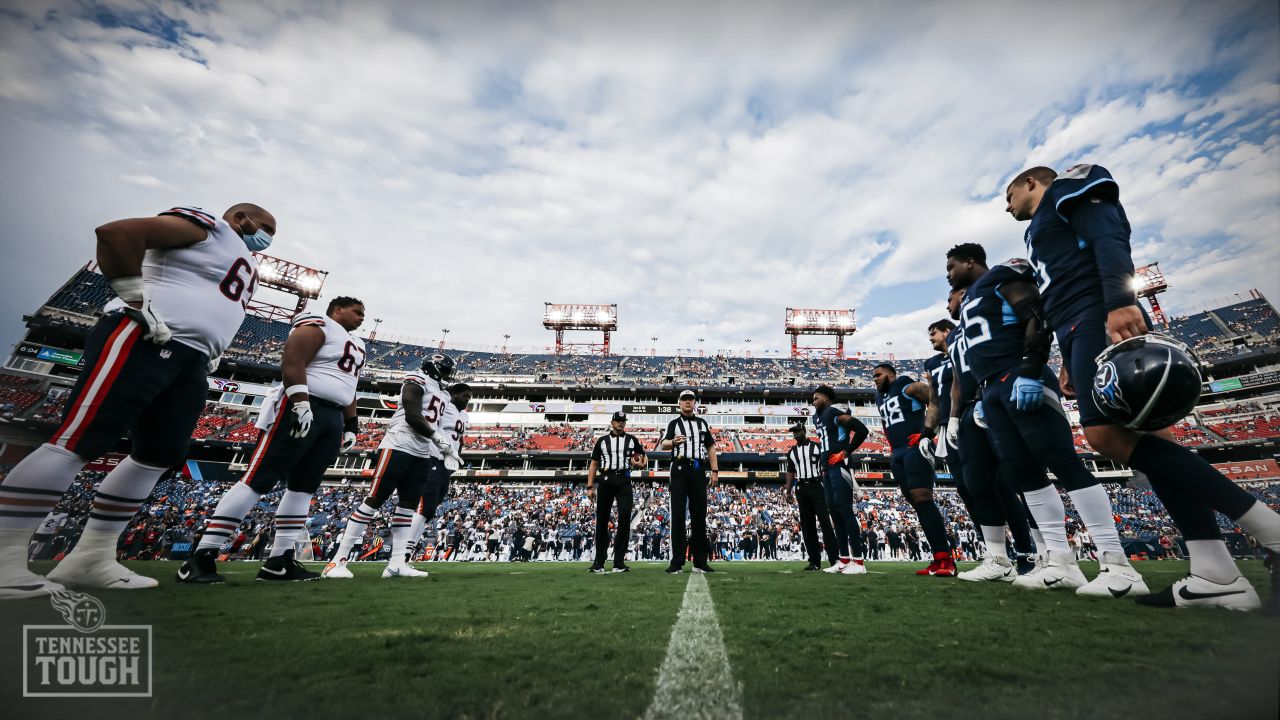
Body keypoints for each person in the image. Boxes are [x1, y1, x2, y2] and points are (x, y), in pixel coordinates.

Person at [1005, 163, 1280, 611]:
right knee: (1155, 442)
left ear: (1031, 182)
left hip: (1096, 313)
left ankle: (1271, 530)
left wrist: (1119, 300)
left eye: (1010, 195)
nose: (1008, 206)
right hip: (1077, 325)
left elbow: (1107, 235)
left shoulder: (1069, 188)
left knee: (1104, 435)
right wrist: (1068, 354)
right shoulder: (1037, 229)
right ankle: (1214, 570)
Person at [0, 203, 276, 598]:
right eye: (262, 226)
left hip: (191, 358)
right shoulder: (209, 226)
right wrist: (134, 298)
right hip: (144, 336)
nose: (265, 237)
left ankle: (91, 557)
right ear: (239, 218)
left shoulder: (242, 263)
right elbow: (117, 233)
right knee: (80, 439)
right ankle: (4, 556)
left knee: (159, 455)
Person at [945, 242, 1144, 597]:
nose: (948, 274)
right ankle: (1060, 562)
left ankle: (1118, 564)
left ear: (970, 262)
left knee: (1062, 461)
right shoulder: (971, 302)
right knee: (1024, 473)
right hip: (992, 389)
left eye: (951, 267)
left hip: (1017, 375)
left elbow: (1035, 315)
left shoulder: (1004, 275)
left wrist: (1030, 368)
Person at [177, 296, 366, 584]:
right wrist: (300, 401)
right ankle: (202, 556)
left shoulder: (358, 344)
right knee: (259, 478)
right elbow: (293, 359)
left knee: (304, 487)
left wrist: (351, 424)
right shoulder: (319, 322)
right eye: (357, 312)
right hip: (304, 404)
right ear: (337, 309)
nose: (362, 317)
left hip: (332, 415)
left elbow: (349, 385)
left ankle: (279, 561)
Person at [322, 354, 457, 580]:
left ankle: (396, 564)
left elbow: (436, 424)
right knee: (375, 499)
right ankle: (337, 560)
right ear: (433, 368)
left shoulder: (442, 392)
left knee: (407, 507)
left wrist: (445, 449)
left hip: (422, 451)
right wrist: (438, 439)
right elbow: (413, 415)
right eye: (445, 370)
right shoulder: (416, 379)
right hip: (399, 443)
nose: (447, 376)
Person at [941, 284, 1040, 581]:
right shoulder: (958, 337)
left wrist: (1030, 369)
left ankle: (1041, 554)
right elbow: (957, 380)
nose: (948, 305)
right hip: (971, 408)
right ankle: (998, 558)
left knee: (1019, 478)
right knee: (979, 482)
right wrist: (954, 417)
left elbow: (1031, 322)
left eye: (950, 298)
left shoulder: (995, 301)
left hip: (997, 394)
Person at [872, 364, 956, 577]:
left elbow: (936, 401)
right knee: (916, 503)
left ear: (891, 374)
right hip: (898, 452)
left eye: (878, 375)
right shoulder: (879, 397)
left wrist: (927, 432)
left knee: (923, 497)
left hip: (915, 446)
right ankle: (938, 558)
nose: (875, 379)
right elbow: (886, 424)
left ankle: (946, 559)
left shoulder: (905, 385)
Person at [810, 385, 871, 575]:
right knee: (834, 512)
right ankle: (844, 559)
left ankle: (859, 561)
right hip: (827, 467)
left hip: (840, 465)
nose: (813, 402)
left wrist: (846, 452)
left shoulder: (834, 411)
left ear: (827, 398)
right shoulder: (817, 417)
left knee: (845, 510)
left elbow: (861, 429)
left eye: (816, 398)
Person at [408, 382, 471, 560]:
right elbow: (431, 426)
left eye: (469, 397)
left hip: (447, 463)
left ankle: (407, 551)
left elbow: (460, 439)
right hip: (434, 456)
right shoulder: (444, 405)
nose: (467, 400)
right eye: (465, 396)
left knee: (430, 509)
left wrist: (457, 456)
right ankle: (404, 550)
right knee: (424, 505)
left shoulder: (464, 415)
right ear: (454, 394)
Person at [660, 390, 718, 573]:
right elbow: (664, 444)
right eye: (684, 399)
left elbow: (711, 446)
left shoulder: (702, 423)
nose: (687, 402)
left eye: (690, 399)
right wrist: (674, 442)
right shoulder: (674, 423)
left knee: (699, 516)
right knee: (677, 515)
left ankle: (700, 561)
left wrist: (715, 471)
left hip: (698, 469)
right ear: (679, 403)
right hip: (679, 468)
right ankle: (676, 561)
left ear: (695, 403)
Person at [586, 411, 647, 573]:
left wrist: (640, 463)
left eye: (623, 421)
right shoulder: (603, 441)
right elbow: (593, 464)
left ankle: (619, 562)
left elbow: (643, 458)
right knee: (602, 520)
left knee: (625, 518)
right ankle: (599, 562)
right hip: (606, 479)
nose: (620, 423)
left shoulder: (632, 440)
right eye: (617, 421)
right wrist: (590, 487)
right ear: (612, 422)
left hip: (624, 480)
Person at [782, 423, 838, 571]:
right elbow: (790, 472)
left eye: (797, 431)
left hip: (817, 485)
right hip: (801, 488)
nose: (795, 434)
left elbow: (826, 465)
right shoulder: (792, 452)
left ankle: (834, 559)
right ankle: (814, 561)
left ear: (804, 431)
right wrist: (788, 491)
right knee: (807, 526)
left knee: (825, 522)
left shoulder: (816, 446)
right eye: (793, 432)